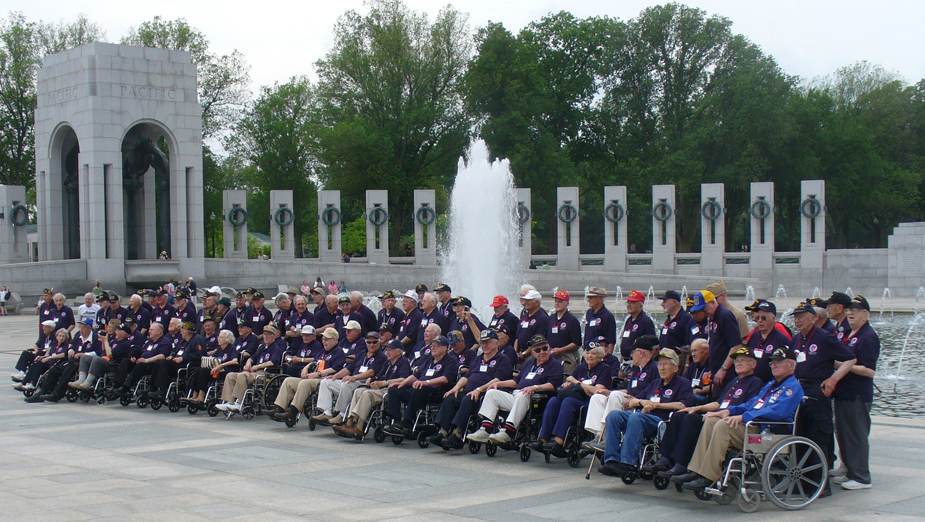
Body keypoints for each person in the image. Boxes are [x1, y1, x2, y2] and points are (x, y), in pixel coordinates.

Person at [674, 347, 805, 491]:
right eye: (772, 363)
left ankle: (709, 476)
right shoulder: (770, 385)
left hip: (768, 430)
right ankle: (696, 470)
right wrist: (727, 411)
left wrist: (743, 417)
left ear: (792, 365)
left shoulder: (792, 388)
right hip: (752, 425)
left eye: (778, 363)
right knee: (711, 421)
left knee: (722, 426)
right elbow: (751, 404)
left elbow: (777, 412)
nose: (774, 366)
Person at [647, 346, 763, 478]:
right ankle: (666, 458)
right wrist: (697, 408)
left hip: (728, 420)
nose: (739, 364)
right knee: (681, 414)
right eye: (737, 361)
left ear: (753, 364)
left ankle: (682, 463)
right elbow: (718, 403)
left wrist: (716, 413)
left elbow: (745, 407)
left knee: (690, 420)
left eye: (743, 361)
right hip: (716, 414)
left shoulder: (755, 383)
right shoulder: (734, 382)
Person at [789, 300, 856, 496]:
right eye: (795, 318)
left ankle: (820, 484)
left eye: (802, 317)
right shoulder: (796, 339)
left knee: (818, 436)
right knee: (799, 435)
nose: (798, 321)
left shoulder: (824, 337)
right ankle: (801, 481)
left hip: (818, 389)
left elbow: (850, 358)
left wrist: (833, 379)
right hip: (799, 390)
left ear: (813, 318)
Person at [598, 348, 693, 477]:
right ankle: (612, 460)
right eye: (659, 364)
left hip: (662, 420)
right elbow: (632, 401)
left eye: (665, 364)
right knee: (614, 416)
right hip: (643, 416)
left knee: (636, 417)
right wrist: (643, 402)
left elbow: (683, 405)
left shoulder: (682, 383)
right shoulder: (655, 383)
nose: (661, 368)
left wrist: (657, 405)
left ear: (675, 368)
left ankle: (628, 463)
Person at [466, 335, 564, 444]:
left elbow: (553, 384)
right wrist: (498, 383)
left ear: (550, 349)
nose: (542, 352)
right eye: (537, 350)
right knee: (492, 393)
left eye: (545, 348)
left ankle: (508, 431)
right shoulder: (529, 363)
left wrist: (535, 387)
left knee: (523, 394)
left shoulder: (554, 364)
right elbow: (516, 382)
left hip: (537, 398)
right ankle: (485, 428)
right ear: (532, 353)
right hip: (517, 395)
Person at [431, 329, 514, 449]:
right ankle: (442, 432)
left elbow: (497, 380)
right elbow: (467, 376)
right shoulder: (479, 358)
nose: (484, 346)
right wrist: (456, 387)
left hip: (485, 394)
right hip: (469, 391)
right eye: (482, 343)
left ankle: (458, 434)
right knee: (451, 397)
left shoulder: (503, 359)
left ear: (496, 343)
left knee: (468, 399)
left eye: (488, 342)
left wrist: (479, 389)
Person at [530, 344, 612, 457]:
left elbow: (597, 391)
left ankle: (559, 441)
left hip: (589, 403)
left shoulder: (604, 369)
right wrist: (570, 383)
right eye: (588, 353)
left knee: (568, 402)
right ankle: (543, 438)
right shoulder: (581, 368)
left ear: (600, 356)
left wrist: (578, 383)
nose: (590, 356)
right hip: (574, 398)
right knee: (554, 401)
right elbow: (568, 382)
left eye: (594, 353)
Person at [833, 295, 878, 490]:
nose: (850, 313)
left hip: (857, 394)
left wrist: (843, 366)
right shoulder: (847, 334)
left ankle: (861, 477)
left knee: (856, 435)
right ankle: (850, 470)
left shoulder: (868, 336)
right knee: (844, 434)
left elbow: (869, 370)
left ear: (865, 315)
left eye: (856, 310)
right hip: (843, 392)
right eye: (849, 310)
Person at [582, 335, 660, 444]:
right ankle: (600, 436)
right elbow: (628, 390)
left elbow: (652, 391)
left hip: (640, 403)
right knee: (598, 397)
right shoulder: (637, 369)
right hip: (629, 399)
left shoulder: (654, 368)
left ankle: (610, 437)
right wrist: (608, 392)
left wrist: (635, 400)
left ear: (641, 353)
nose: (631, 356)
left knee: (615, 396)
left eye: (633, 353)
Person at [333, 339, 413, 439]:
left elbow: (404, 379)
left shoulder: (403, 361)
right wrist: (371, 380)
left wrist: (385, 382)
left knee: (367, 394)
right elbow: (379, 376)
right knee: (358, 391)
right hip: (381, 388)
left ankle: (359, 427)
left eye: (390, 350)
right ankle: (349, 423)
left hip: (392, 390)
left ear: (399, 351)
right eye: (387, 349)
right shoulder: (388, 363)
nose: (387, 352)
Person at [382, 334, 459, 438]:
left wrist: (426, 382)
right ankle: (396, 421)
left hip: (435, 391)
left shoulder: (451, 360)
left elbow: (445, 379)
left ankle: (407, 421)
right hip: (418, 388)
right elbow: (415, 375)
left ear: (445, 348)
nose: (433, 348)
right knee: (394, 389)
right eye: (432, 345)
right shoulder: (429, 360)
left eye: (436, 345)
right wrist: (402, 383)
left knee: (418, 388)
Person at [312, 330, 388, 425]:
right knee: (326, 381)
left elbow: (371, 372)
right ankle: (326, 412)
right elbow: (349, 368)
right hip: (352, 381)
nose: (371, 344)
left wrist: (355, 377)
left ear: (379, 342)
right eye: (369, 342)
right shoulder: (361, 354)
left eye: (374, 342)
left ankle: (341, 414)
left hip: (363, 382)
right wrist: (336, 376)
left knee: (347, 383)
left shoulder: (381, 357)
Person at [270, 328, 346, 423]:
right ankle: (279, 409)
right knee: (288, 381)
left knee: (305, 383)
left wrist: (317, 374)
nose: (323, 342)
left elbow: (336, 368)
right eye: (323, 339)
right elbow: (314, 361)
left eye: (326, 339)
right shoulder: (323, 351)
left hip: (325, 379)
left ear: (334, 340)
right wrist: (305, 368)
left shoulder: (338, 352)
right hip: (313, 376)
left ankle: (293, 413)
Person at [215, 325, 286, 413]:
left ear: (274, 335)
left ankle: (239, 402)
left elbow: (272, 362)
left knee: (242, 375)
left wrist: (258, 366)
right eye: (264, 334)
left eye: (269, 334)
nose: (266, 337)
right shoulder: (262, 348)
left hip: (265, 373)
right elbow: (252, 357)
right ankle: (229, 401)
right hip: (253, 372)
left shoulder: (276, 349)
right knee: (231, 375)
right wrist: (248, 363)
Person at [691, 290, 743, 391]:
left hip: (727, 374)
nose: (704, 313)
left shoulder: (725, 315)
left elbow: (736, 346)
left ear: (712, 302)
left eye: (704, 309)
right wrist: (712, 370)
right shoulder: (712, 318)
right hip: (717, 372)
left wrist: (723, 369)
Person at [112, 322, 172, 397]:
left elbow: (162, 356)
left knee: (141, 365)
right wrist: (134, 357)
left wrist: (146, 360)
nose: (149, 331)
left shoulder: (164, 341)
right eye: (149, 330)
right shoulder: (149, 341)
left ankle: (126, 387)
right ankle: (117, 385)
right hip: (142, 361)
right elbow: (141, 351)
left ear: (159, 332)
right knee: (126, 361)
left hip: (152, 364)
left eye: (152, 330)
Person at [148, 321, 204, 401]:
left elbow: (199, 355)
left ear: (187, 332)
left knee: (163, 363)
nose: (181, 333)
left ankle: (162, 390)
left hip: (187, 365)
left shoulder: (197, 340)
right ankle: (152, 387)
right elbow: (176, 351)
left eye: (182, 331)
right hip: (176, 362)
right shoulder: (183, 340)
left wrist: (183, 358)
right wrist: (172, 356)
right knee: (159, 361)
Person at [184, 329, 239, 407]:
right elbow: (212, 358)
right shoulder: (219, 349)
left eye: (221, 337)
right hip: (215, 371)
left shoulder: (231, 349)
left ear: (227, 339)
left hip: (225, 372)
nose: (218, 339)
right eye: (218, 337)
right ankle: (194, 395)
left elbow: (235, 361)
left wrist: (221, 365)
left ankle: (201, 396)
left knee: (203, 371)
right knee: (197, 370)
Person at [744, 300, 788, 382]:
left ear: (773, 319)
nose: (760, 321)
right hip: (752, 382)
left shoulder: (781, 339)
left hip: (770, 383)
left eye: (764, 318)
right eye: (758, 318)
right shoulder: (754, 335)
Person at [18, 328, 70, 396]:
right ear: (56, 336)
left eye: (63, 336)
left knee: (39, 365)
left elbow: (62, 354)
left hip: (56, 364)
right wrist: (42, 357)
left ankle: (33, 384)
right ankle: (24, 382)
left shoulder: (66, 345)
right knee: (35, 363)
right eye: (60, 336)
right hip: (49, 362)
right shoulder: (54, 344)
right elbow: (49, 354)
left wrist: (49, 358)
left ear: (66, 338)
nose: (61, 338)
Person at [546, 290, 582, 374]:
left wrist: (561, 350)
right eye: (556, 301)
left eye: (560, 301)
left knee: (566, 377)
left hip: (567, 355)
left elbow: (577, 343)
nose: (557, 303)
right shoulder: (551, 318)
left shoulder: (572, 320)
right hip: (552, 354)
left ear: (567, 303)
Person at [12, 320, 57, 385]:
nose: (43, 328)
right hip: (39, 353)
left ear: (51, 329)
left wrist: (39, 352)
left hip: (45, 355)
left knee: (39, 353)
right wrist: (36, 351)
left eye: (46, 327)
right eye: (43, 327)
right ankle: (22, 372)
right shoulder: (44, 336)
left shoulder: (54, 336)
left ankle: (31, 373)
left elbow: (51, 348)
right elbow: (36, 345)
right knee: (26, 353)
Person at [619, 290, 657, 359]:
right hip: (626, 360)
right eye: (628, 302)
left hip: (638, 360)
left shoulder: (645, 321)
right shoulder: (629, 320)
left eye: (632, 303)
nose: (629, 305)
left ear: (640, 305)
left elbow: (652, 344)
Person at [514, 290, 549, 364]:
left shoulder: (542, 318)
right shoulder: (524, 317)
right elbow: (517, 336)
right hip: (520, 354)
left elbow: (538, 340)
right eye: (525, 300)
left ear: (537, 302)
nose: (525, 303)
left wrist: (524, 354)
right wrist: (516, 352)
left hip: (533, 355)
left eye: (528, 300)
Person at [684, 339, 712, 404]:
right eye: (692, 351)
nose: (693, 354)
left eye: (696, 351)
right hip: (690, 394)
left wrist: (696, 391)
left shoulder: (713, 365)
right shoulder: (693, 365)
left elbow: (715, 387)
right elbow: (684, 380)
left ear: (706, 350)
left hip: (704, 397)